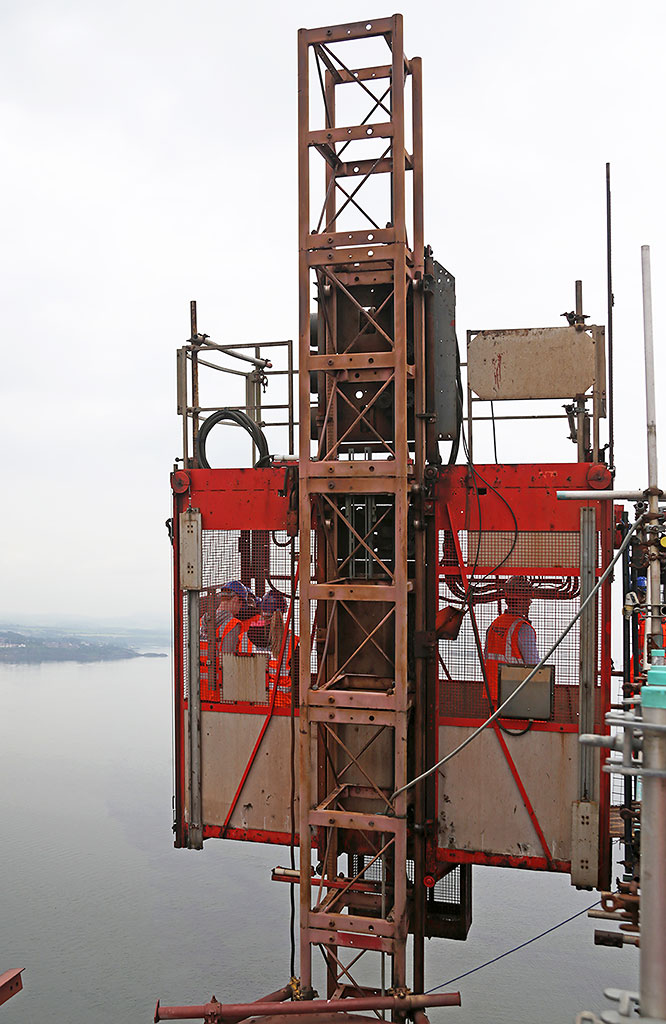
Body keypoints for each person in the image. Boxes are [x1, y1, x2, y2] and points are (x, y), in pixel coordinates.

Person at [484, 576, 539, 703]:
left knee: (495, 722)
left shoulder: (493, 625)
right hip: (516, 693)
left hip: (493, 693)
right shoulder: (523, 629)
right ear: (521, 599)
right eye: (528, 597)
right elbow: (535, 666)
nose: (530, 602)